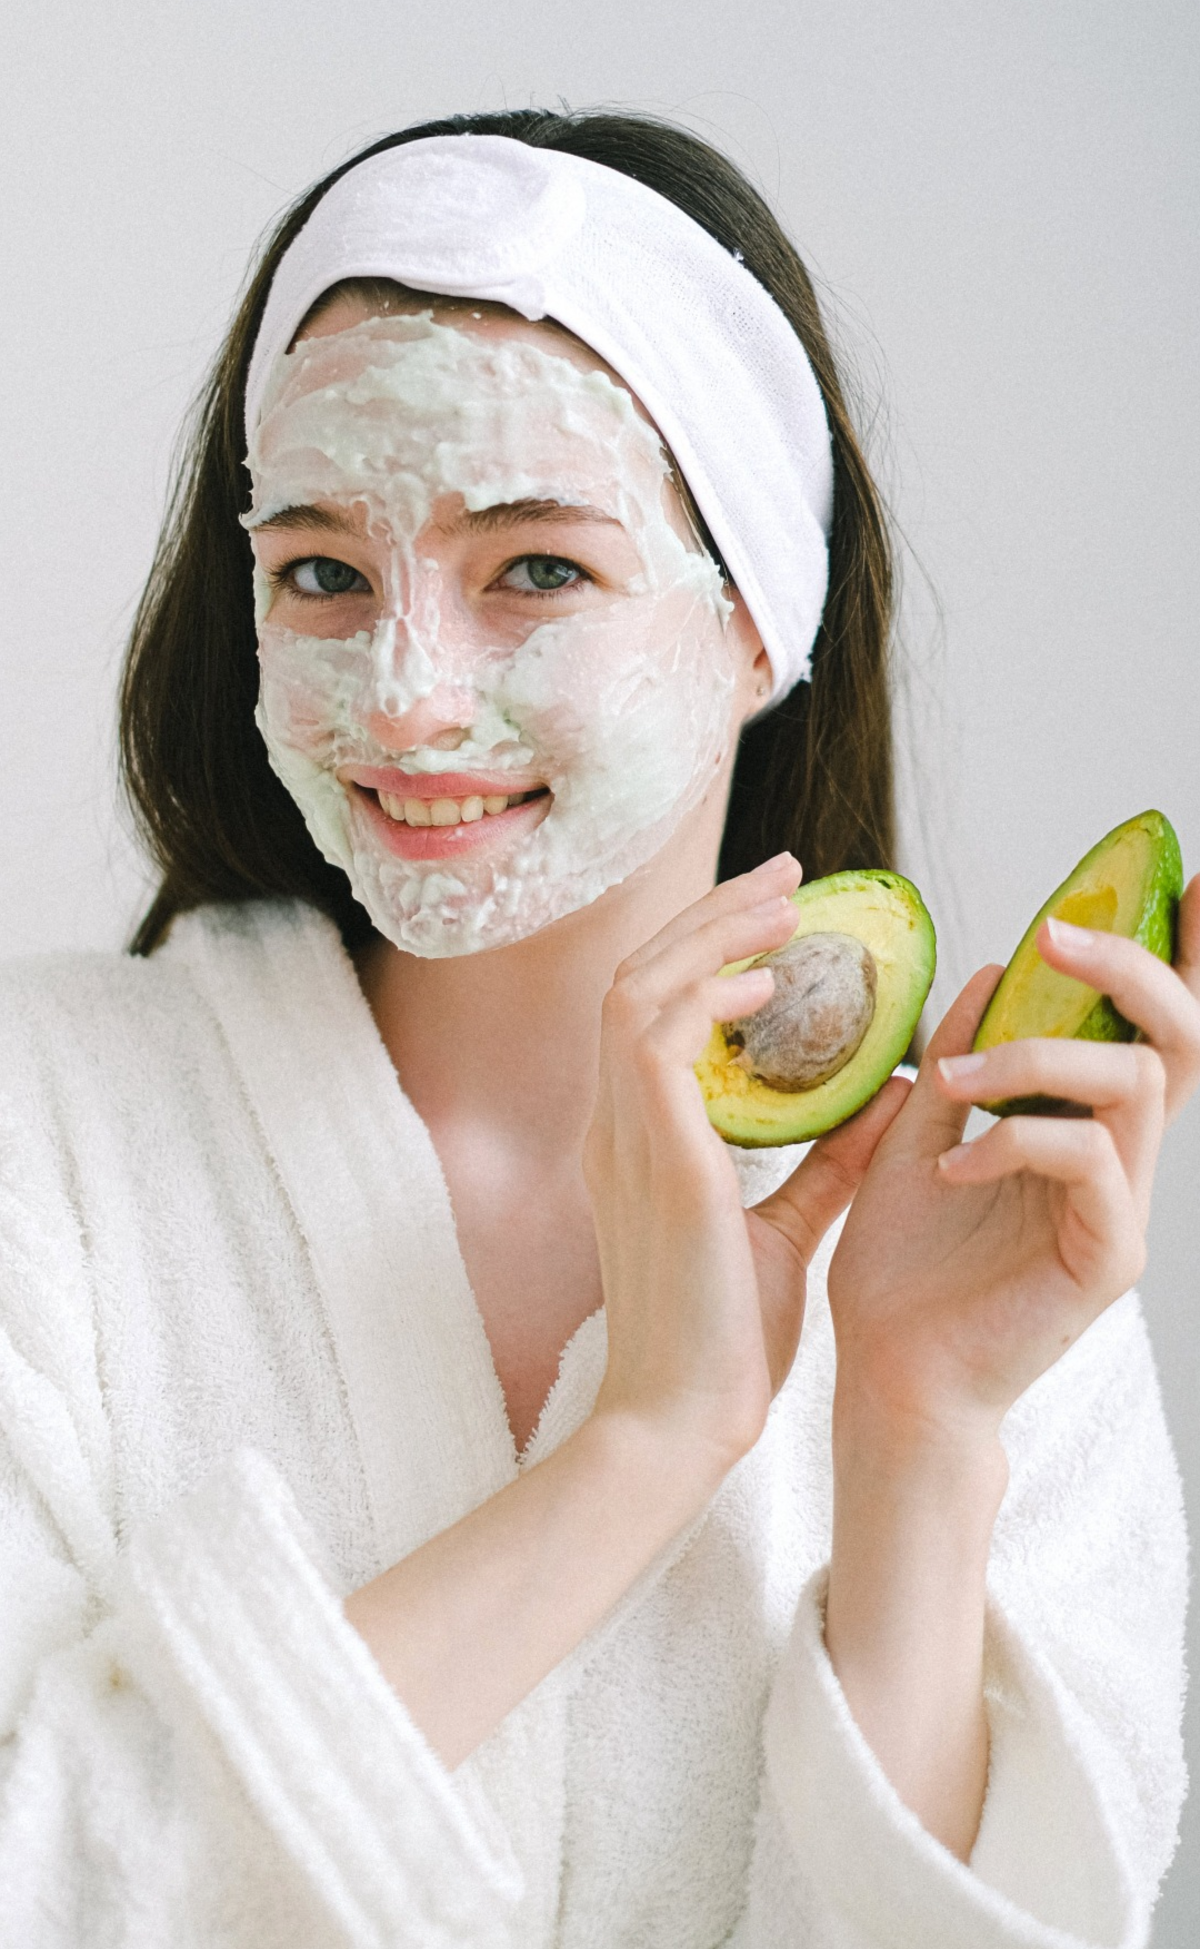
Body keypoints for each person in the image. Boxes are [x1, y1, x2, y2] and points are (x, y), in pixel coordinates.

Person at [1, 107, 1197, 1949]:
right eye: (321, 573)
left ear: (757, 617)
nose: (408, 694)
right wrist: (646, 1440)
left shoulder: (986, 1235)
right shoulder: (43, 1130)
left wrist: (920, 1430)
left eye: (538, 570)